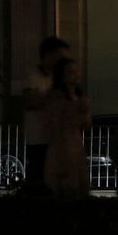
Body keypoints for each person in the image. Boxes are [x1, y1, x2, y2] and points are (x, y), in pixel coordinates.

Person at [22, 36, 68, 186]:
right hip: (38, 137)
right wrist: (52, 95)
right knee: (39, 178)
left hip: (57, 137)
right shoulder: (33, 75)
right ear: (48, 54)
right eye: (60, 56)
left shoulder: (60, 78)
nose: (63, 61)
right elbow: (30, 102)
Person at [44, 58, 91, 198]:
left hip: (76, 146)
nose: (76, 74)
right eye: (71, 72)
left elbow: (86, 124)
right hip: (61, 147)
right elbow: (54, 122)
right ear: (62, 76)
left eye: (77, 71)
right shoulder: (56, 96)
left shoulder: (81, 98)